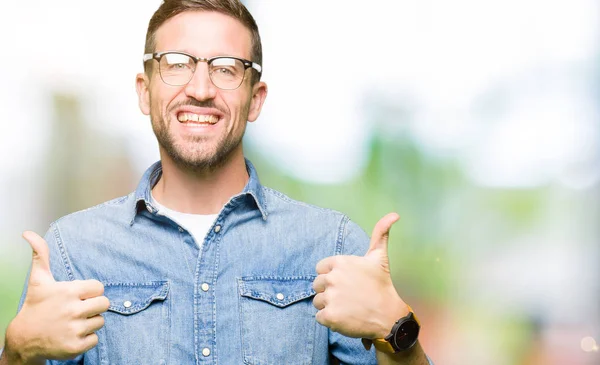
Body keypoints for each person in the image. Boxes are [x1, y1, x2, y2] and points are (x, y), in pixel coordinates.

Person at [0, 1, 434, 364]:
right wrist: (16, 354)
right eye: (176, 64)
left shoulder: (332, 245)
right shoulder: (72, 251)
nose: (201, 88)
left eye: (226, 69)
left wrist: (397, 330)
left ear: (255, 99)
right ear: (143, 91)